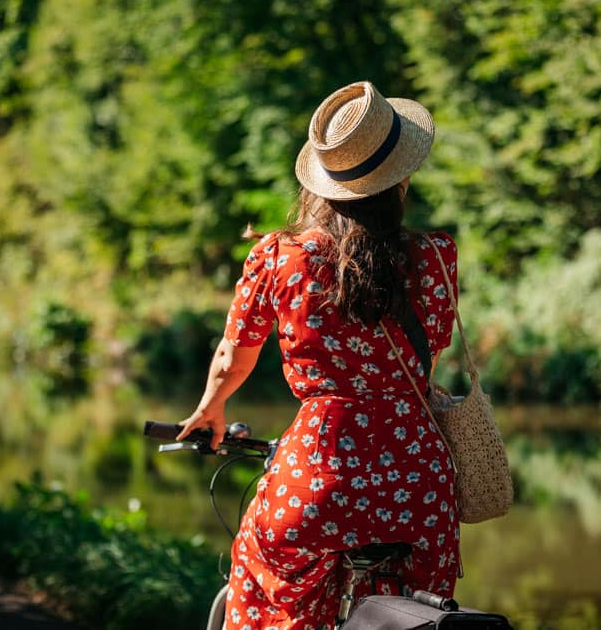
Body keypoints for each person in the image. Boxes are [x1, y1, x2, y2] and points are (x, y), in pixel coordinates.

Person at [177, 81, 460, 629]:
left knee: (264, 578)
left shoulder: (280, 258)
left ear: (324, 184)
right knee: (422, 616)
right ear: (400, 178)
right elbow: (436, 347)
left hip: (320, 471)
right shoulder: (436, 258)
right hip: (420, 479)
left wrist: (211, 410)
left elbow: (234, 354)